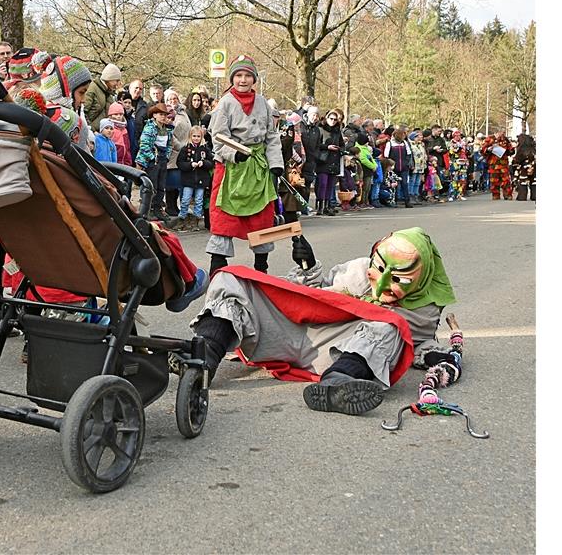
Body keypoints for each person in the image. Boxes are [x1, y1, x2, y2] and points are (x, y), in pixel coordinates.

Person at [190, 227, 457, 415]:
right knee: (231, 278)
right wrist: (308, 266)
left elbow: (418, 341)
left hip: (334, 353)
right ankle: (203, 359)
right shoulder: (358, 269)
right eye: (378, 268)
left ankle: (337, 385)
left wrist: (438, 358)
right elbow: (318, 291)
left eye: (398, 279)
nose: (383, 282)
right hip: (292, 330)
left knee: (391, 325)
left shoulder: (425, 309)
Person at [206, 55, 282, 274]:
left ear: (254, 79)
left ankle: (261, 269)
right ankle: (218, 269)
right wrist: (233, 154)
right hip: (232, 168)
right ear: (232, 78)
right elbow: (218, 136)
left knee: (262, 218)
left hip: (258, 169)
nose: (243, 80)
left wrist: (275, 163)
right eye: (239, 75)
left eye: (247, 75)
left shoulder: (263, 104)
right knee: (224, 219)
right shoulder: (226, 103)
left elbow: (271, 136)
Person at [135, 103, 174, 221]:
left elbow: (169, 145)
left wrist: (166, 156)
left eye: (165, 115)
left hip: (162, 160)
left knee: (161, 185)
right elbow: (144, 145)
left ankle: (158, 208)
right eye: (161, 114)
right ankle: (148, 209)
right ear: (154, 115)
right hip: (151, 161)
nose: (163, 117)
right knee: (152, 185)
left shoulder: (167, 129)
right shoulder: (149, 128)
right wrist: (153, 157)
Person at [176, 125, 213, 232]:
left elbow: (211, 162)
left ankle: (196, 220)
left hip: (201, 180)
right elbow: (180, 163)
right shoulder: (185, 149)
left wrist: (204, 163)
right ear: (190, 136)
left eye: (198, 136)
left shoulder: (205, 150)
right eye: (194, 136)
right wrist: (190, 164)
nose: (196, 138)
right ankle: (182, 218)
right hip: (188, 180)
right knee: (185, 199)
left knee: (199, 200)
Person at [314, 109, 344, 215]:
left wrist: (341, 150)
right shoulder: (320, 129)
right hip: (323, 160)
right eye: (331, 119)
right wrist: (327, 147)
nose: (333, 121)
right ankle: (320, 206)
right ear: (326, 118)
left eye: (335, 120)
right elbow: (315, 145)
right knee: (322, 183)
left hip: (334, 159)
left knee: (330, 185)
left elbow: (342, 144)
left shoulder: (337, 131)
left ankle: (327, 206)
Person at [382, 127, 414, 208]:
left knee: (404, 184)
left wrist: (407, 163)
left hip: (404, 167)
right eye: (403, 135)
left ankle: (407, 201)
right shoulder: (390, 144)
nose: (404, 136)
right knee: (394, 185)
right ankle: (394, 201)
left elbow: (409, 154)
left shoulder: (405, 143)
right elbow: (386, 155)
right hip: (393, 168)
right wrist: (390, 166)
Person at [82, 62, 121, 128]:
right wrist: (91, 130)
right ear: (109, 78)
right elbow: (83, 112)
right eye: (116, 80)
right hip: (92, 133)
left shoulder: (109, 94)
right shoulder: (92, 89)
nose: (117, 84)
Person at [483, 132, 513, 200]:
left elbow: (511, 150)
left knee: (506, 180)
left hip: (503, 164)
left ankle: (507, 195)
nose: (500, 134)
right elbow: (483, 150)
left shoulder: (505, 140)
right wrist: (488, 149)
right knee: (494, 181)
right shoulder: (489, 139)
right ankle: (495, 195)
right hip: (493, 164)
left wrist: (510, 150)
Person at [511, 133, 535, 201]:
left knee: (523, 182)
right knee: (534, 182)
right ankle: (534, 195)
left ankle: (522, 196)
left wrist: (514, 163)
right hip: (534, 167)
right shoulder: (533, 149)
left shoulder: (521, 150)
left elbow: (517, 160)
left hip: (524, 169)